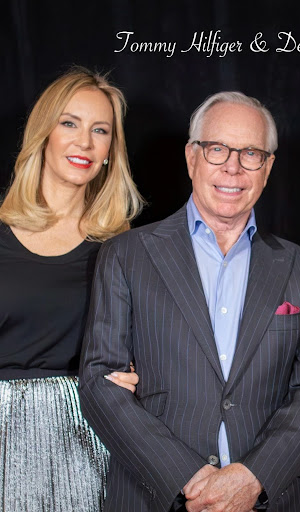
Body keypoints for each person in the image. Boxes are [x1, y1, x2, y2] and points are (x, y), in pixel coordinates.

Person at [79, 91, 300, 512]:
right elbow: (99, 383)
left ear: (268, 168)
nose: (233, 167)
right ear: (191, 157)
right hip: (155, 497)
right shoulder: (126, 255)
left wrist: (252, 478)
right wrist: (191, 479)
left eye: (251, 153)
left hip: (266, 499)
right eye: (217, 149)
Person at [0, 67, 144, 511]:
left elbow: (145, 349)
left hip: (86, 446)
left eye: (100, 130)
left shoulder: (125, 249)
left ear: (110, 152)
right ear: (43, 134)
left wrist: (139, 372)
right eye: (70, 123)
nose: (85, 142)